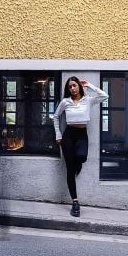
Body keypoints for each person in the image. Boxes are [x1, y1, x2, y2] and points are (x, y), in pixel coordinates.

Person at [52, 77, 108, 217]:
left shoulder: (88, 100)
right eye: (70, 87)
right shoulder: (65, 102)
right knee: (70, 170)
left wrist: (89, 85)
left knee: (82, 157)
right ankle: (75, 202)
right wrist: (58, 134)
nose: (72, 88)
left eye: (74, 85)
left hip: (82, 134)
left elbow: (105, 96)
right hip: (68, 135)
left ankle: (78, 165)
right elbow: (55, 116)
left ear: (79, 86)